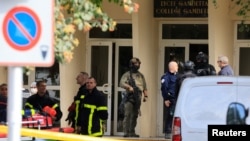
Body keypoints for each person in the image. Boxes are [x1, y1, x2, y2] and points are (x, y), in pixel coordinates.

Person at [119, 57, 148, 138]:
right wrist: (129, 87)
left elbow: (145, 87)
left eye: (138, 64)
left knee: (135, 115)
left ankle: (132, 132)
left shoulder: (140, 75)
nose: (138, 65)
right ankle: (126, 132)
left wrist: (146, 96)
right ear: (132, 65)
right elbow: (121, 83)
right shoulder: (127, 74)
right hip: (129, 97)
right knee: (127, 114)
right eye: (136, 64)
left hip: (138, 96)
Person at [160, 61, 179, 139]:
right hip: (170, 99)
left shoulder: (177, 76)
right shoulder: (166, 77)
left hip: (177, 99)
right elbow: (164, 88)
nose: (178, 67)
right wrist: (166, 99)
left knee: (177, 116)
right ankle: (167, 132)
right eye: (177, 66)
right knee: (170, 115)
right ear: (172, 67)